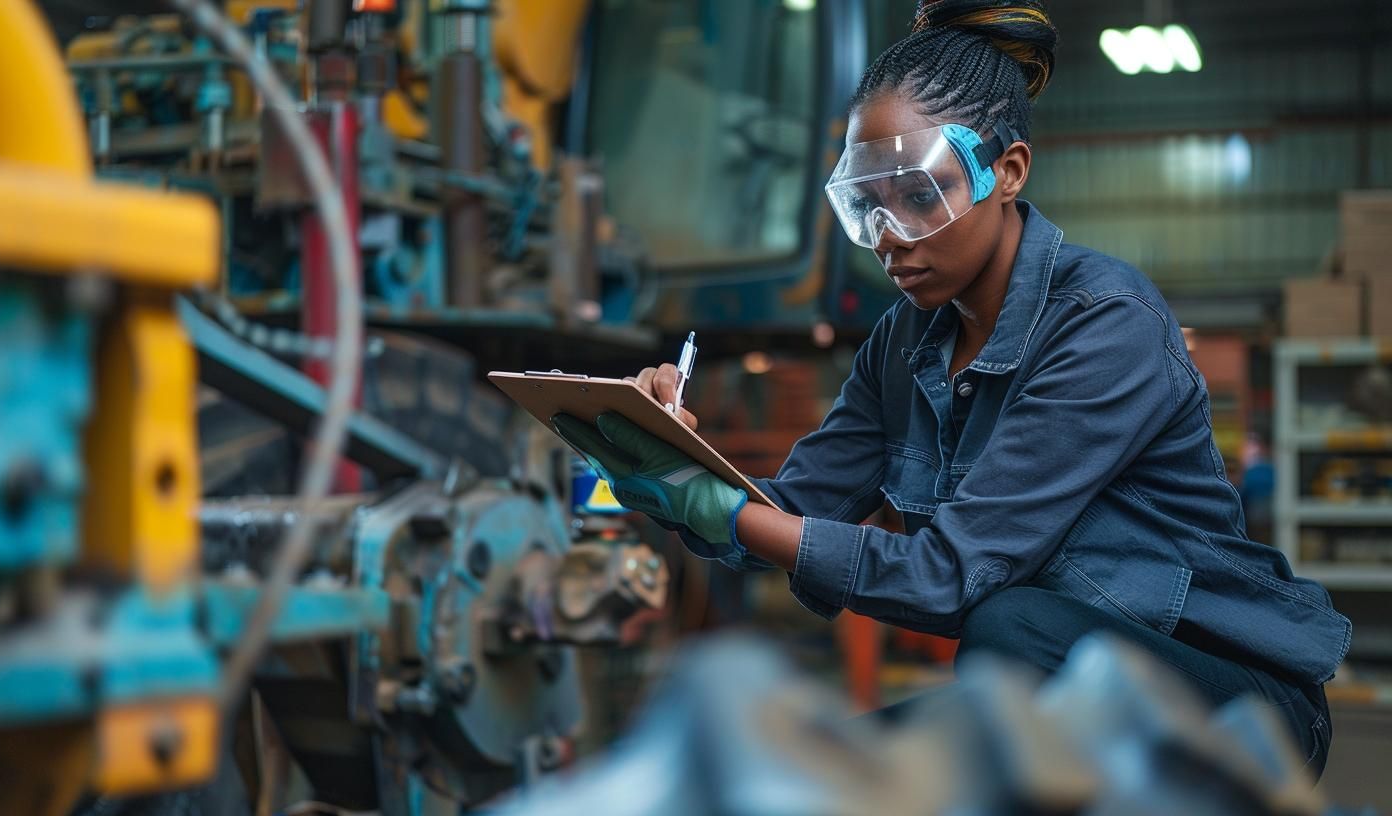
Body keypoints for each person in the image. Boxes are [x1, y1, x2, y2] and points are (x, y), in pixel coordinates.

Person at [552, 0, 1347, 779]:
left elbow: (952, 577)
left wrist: (731, 514)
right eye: (869, 205)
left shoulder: (1107, 325)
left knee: (1009, 626)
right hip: (1055, 683)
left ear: (1007, 172)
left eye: (919, 195)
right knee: (824, 769)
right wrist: (677, 464)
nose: (891, 236)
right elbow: (788, 514)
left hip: (1238, 712)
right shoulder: (900, 344)